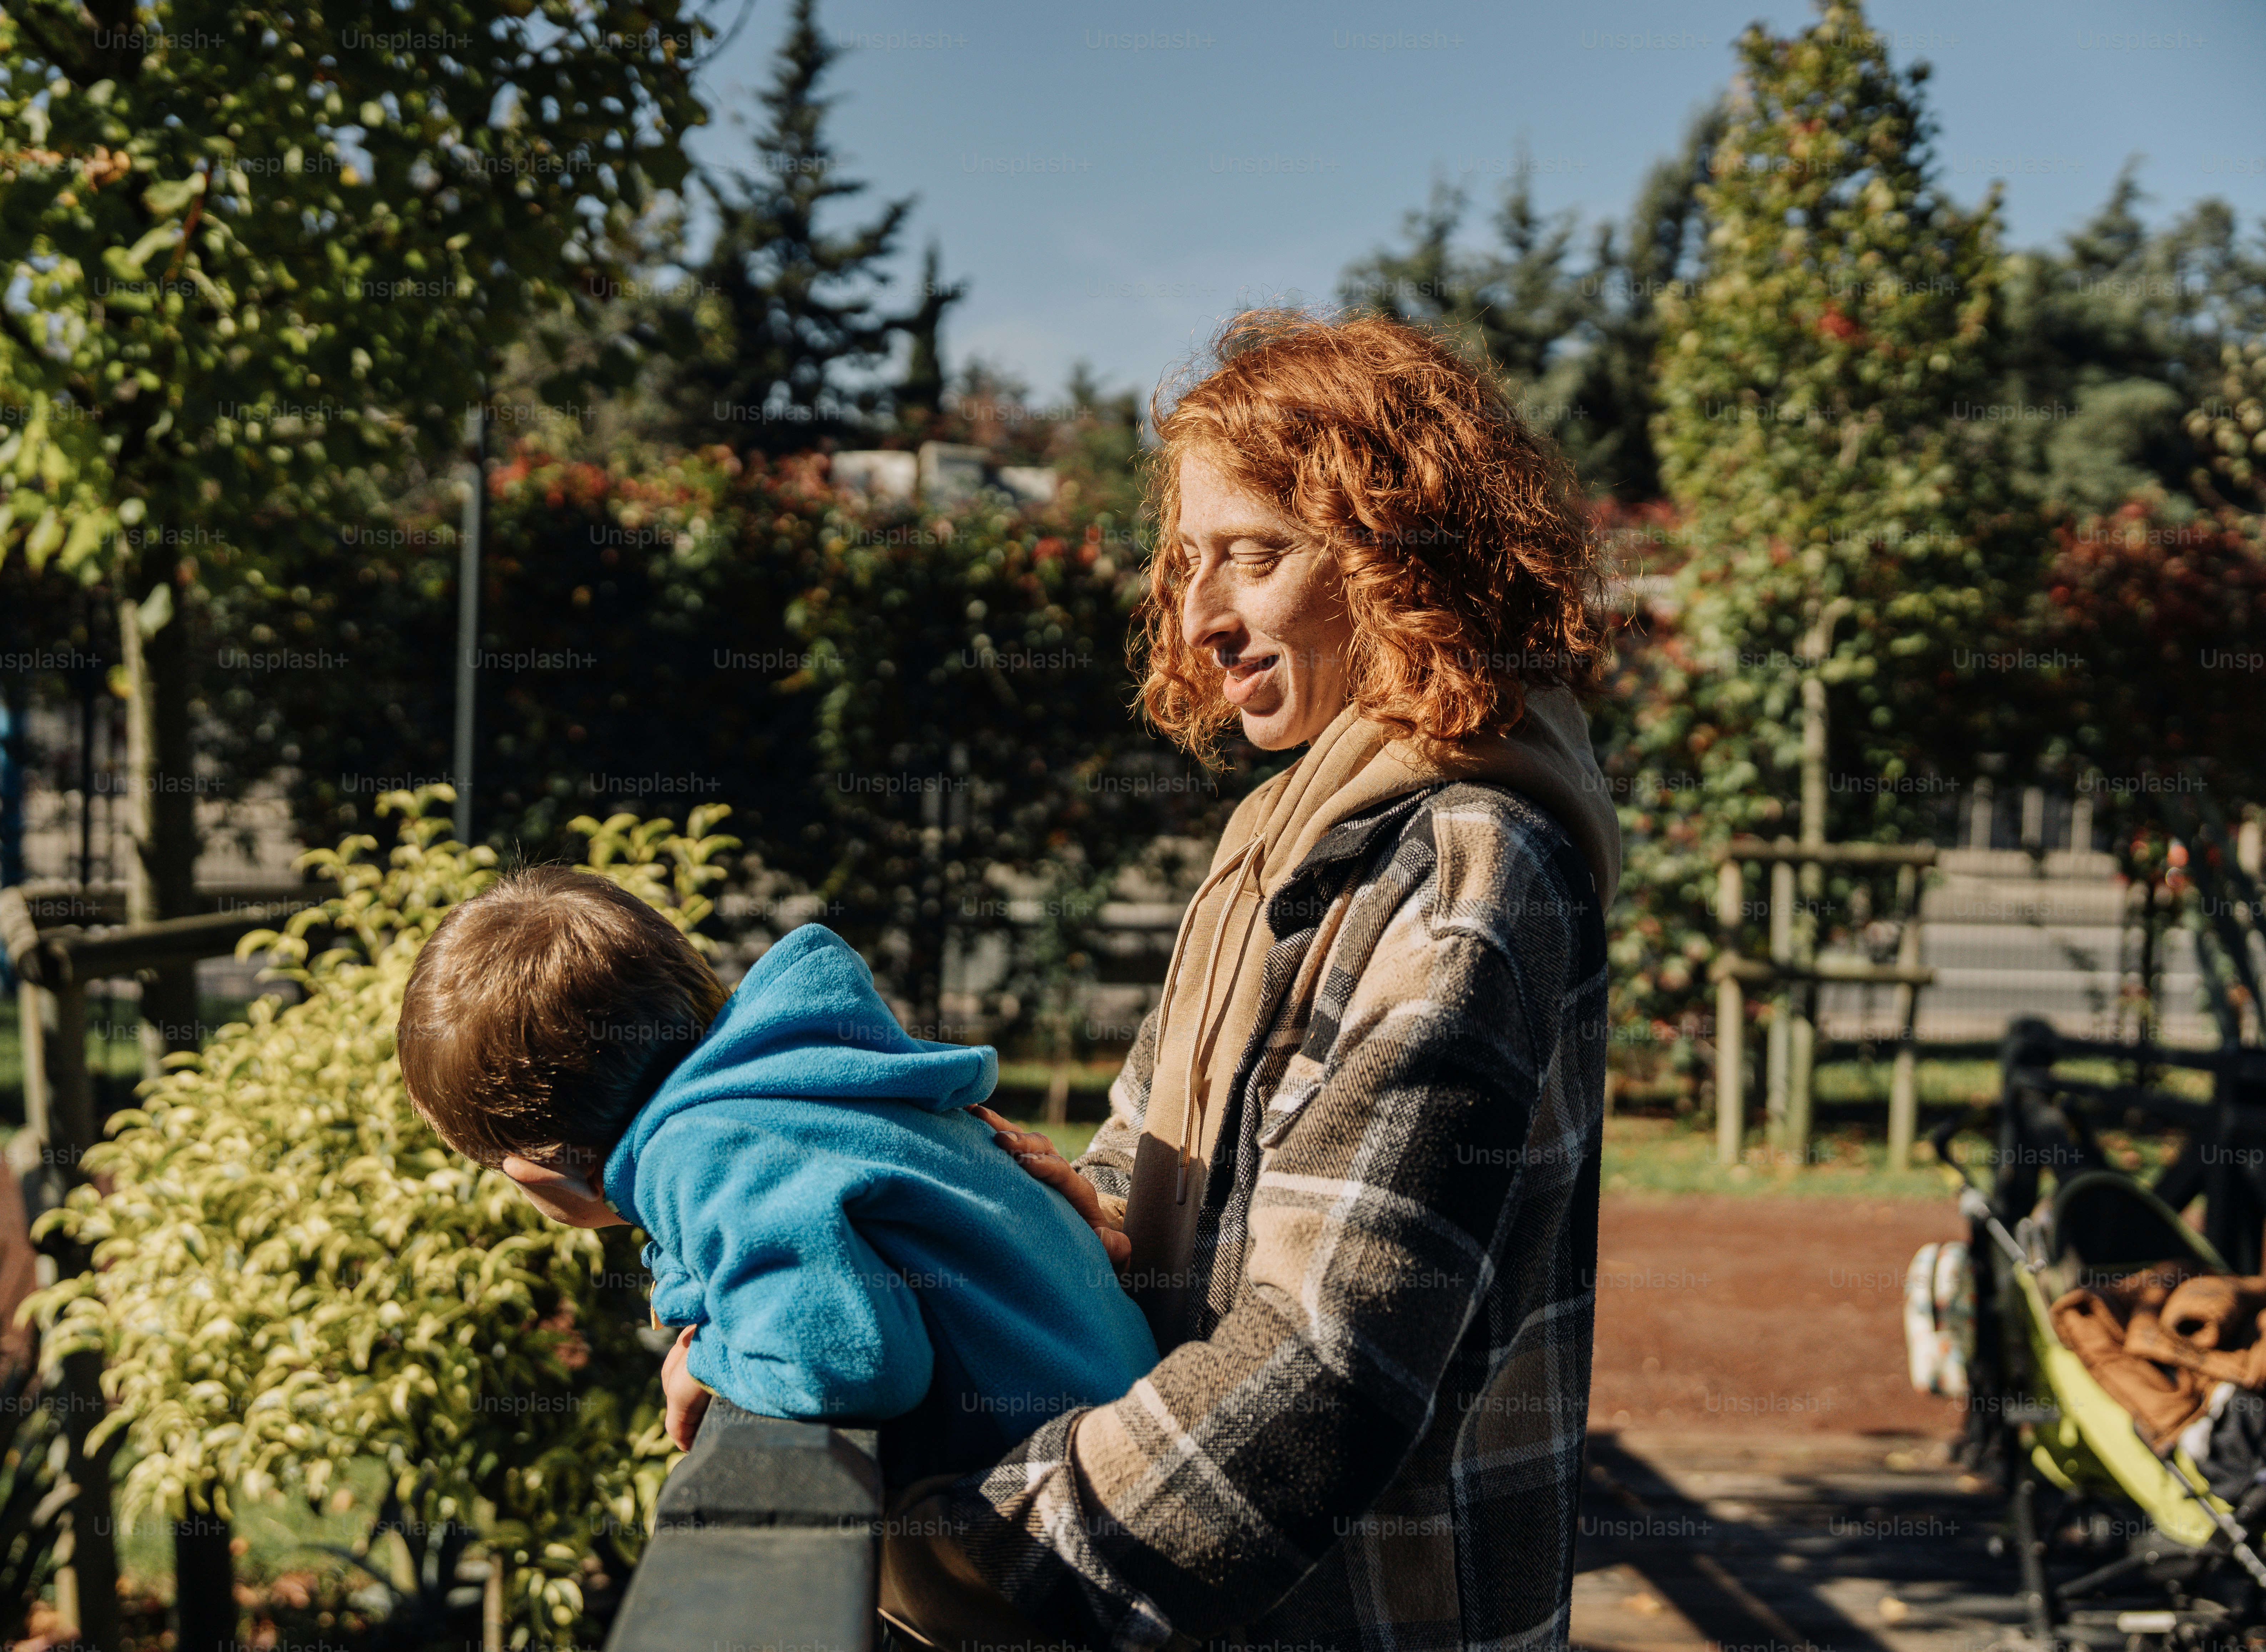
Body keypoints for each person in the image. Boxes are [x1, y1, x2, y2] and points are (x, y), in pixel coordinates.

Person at [851, 308, 1620, 1651]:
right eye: (1187, 561)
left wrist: (983, 1551)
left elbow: (1326, 1360)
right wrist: (954, 1250)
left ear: (1405, 558)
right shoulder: (1284, 838)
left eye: (1256, 555)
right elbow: (1138, 1171)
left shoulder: (1467, 867)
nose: (1201, 617)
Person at [393, 867, 1158, 1485]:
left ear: (543, 1171)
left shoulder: (696, 1154)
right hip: (1119, 1429)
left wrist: (708, 1361)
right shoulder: (792, 1082)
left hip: (1073, 1512)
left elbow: (853, 1365)